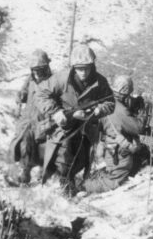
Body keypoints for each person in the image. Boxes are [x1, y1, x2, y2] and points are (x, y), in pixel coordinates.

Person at [36, 44, 114, 194]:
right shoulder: (61, 78)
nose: (83, 72)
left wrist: (98, 111)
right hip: (64, 125)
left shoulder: (100, 82)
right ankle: (65, 190)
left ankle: (74, 184)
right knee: (64, 159)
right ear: (73, 67)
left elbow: (110, 102)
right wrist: (56, 112)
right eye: (79, 68)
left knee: (82, 160)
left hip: (87, 128)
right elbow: (41, 94)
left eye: (86, 68)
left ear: (92, 66)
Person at [84, 75, 150, 194]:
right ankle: (82, 187)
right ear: (125, 92)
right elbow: (138, 127)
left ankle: (92, 178)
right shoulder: (118, 109)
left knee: (145, 154)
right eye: (129, 94)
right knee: (113, 182)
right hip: (119, 154)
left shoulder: (109, 102)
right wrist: (142, 111)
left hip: (112, 149)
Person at [6, 50, 54, 186]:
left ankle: (41, 173)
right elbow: (24, 91)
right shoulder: (30, 79)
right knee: (22, 143)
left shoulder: (54, 81)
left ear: (46, 67)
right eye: (34, 70)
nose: (37, 74)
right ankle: (23, 173)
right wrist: (20, 95)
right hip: (27, 119)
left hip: (43, 120)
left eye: (40, 70)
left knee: (38, 145)